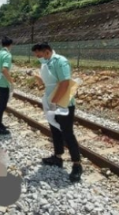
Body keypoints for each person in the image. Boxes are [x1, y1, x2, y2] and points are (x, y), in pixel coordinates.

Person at [31, 42, 83, 183]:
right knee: (55, 130)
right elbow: (45, 84)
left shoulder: (61, 61)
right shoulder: (46, 63)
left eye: (39, 55)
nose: (38, 58)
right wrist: (36, 77)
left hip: (63, 103)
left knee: (67, 133)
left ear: (47, 51)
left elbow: (65, 83)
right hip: (51, 101)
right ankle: (58, 157)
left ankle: (77, 165)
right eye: (36, 56)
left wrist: (55, 101)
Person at [0, 36, 14, 135]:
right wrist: (11, 81)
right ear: (10, 45)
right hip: (4, 84)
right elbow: (5, 70)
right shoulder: (7, 55)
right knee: (2, 104)